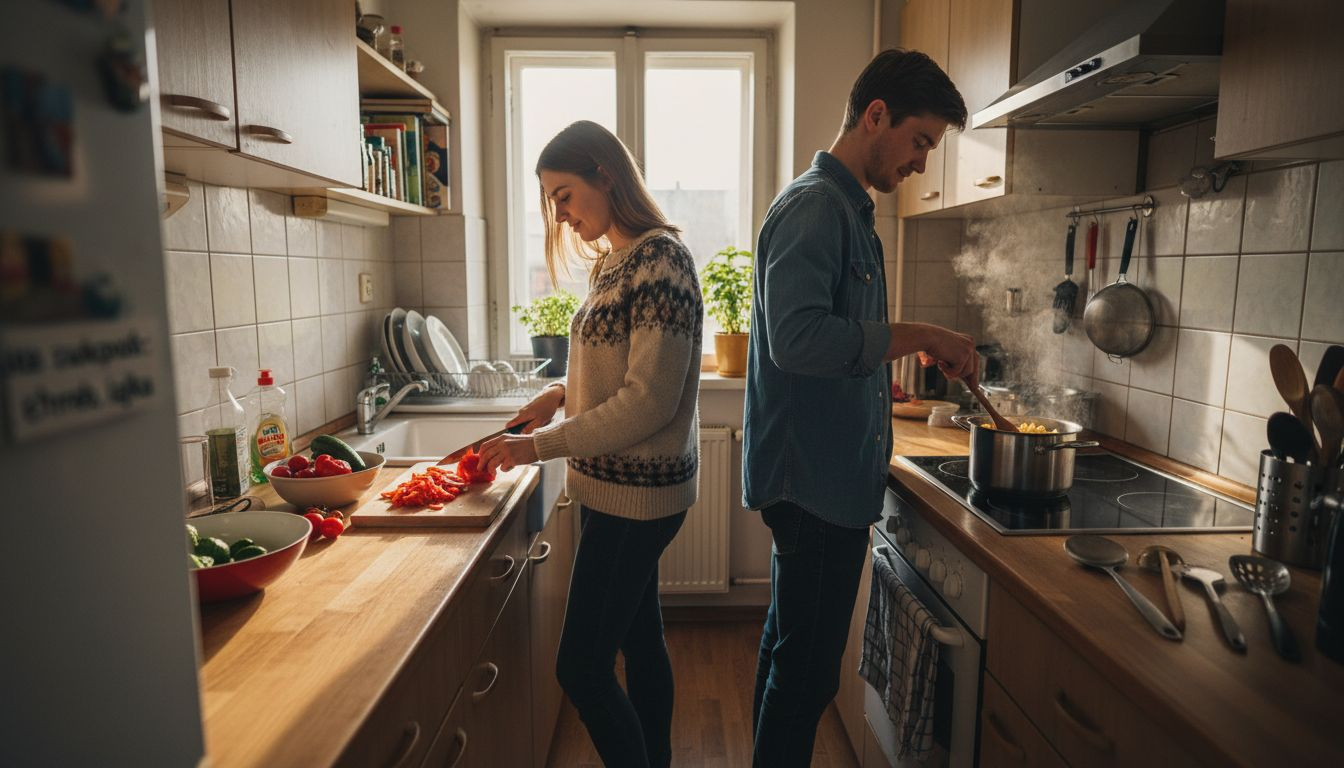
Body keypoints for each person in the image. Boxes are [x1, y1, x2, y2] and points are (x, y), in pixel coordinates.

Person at [742, 49, 978, 767]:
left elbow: (837, 340)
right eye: (920, 142)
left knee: (790, 655)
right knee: (807, 676)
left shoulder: (846, 211)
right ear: (876, 116)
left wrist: (886, 380)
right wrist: (923, 334)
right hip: (814, 488)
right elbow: (800, 340)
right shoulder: (817, 209)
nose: (921, 164)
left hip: (823, 482)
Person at [477, 120, 703, 768]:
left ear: (606, 174)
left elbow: (649, 399)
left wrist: (539, 445)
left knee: (580, 669)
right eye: (552, 201)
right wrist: (557, 395)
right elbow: (610, 371)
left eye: (565, 194)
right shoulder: (614, 261)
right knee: (641, 638)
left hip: (638, 496)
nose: (561, 213)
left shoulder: (662, 259)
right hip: (617, 488)